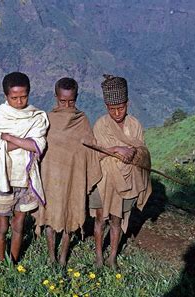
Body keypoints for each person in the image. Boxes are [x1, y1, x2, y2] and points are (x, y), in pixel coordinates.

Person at [33, 77, 102, 266]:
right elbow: (37, 146)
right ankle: (51, 257)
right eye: (63, 101)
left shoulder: (82, 120)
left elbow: (90, 148)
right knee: (49, 217)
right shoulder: (46, 120)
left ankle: (63, 258)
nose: (67, 105)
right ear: (56, 97)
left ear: (76, 97)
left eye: (71, 101)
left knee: (70, 216)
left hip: (74, 177)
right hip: (50, 179)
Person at [0, 72, 49, 263]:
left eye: (23, 96)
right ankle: (0, 262)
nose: (19, 101)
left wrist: (10, 138)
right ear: (6, 96)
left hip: (26, 178)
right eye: (14, 98)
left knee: (19, 224)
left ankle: (13, 261)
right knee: (2, 226)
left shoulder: (36, 116)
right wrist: (23, 142)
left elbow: (37, 145)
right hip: (4, 178)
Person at [90, 74, 152, 269]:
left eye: (121, 108)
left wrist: (133, 152)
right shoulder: (100, 125)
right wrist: (117, 150)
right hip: (103, 180)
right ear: (106, 107)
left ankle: (113, 257)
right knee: (100, 219)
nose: (117, 113)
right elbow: (96, 155)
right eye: (112, 109)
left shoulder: (135, 125)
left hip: (127, 181)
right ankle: (99, 257)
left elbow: (143, 153)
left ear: (128, 103)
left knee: (117, 220)